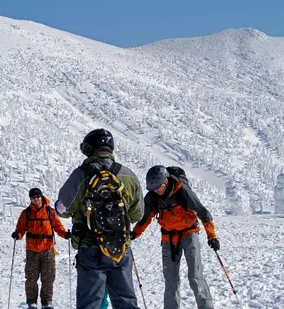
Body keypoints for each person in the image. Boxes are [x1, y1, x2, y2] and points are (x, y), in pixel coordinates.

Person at [55, 128, 144, 309]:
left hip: (90, 249)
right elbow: (138, 214)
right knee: (126, 301)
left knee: (90, 303)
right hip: (120, 248)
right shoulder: (128, 175)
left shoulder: (80, 175)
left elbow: (62, 210)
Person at [132, 165, 219, 309]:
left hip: (189, 234)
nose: (156, 191)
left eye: (158, 188)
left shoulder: (183, 192)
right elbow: (145, 219)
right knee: (171, 280)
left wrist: (212, 236)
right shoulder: (153, 196)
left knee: (195, 276)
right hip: (168, 238)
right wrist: (133, 234)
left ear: (166, 182)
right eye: (153, 189)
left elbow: (203, 212)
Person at [11, 187, 70, 309]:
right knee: (31, 277)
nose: (36, 199)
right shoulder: (26, 213)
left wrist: (65, 234)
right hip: (32, 250)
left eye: (37, 197)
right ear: (30, 199)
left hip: (48, 249)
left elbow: (58, 227)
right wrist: (18, 234)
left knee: (48, 277)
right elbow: (21, 229)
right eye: (33, 197)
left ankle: (47, 301)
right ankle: (31, 301)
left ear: (41, 197)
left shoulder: (50, 212)